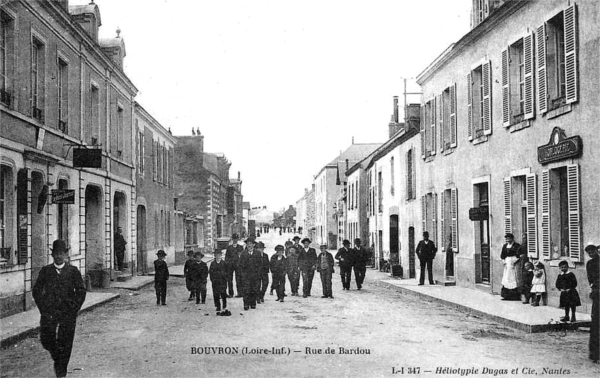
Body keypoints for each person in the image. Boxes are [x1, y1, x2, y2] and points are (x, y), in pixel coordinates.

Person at [33, 240, 87, 378]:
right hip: (49, 312)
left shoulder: (73, 271)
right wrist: (43, 308)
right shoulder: (46, 271)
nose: (58, 256)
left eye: (61, 253)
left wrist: (74, 308)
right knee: (46, 339)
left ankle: (61, 373)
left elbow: (81, 291)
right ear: (52, 255)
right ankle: (58, 357)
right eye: (56, 253)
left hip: (67, 312)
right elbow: (37, 290)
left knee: (66, 342)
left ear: (65, 255)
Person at [585, 243, 600, 363]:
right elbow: (590, 278)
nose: (591, 254)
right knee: (596, 322)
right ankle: (594, 353)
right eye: (589, 253)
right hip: (597, 294)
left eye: (593, 251)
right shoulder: (590, 264)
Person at [238, 238, 262, 310]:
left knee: (253, 289)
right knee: (246, 290)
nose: (249, 245)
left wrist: (258, 273)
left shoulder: (257, 253)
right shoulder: (243, 253)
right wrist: (242, 274)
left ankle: (253, 303)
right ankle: (246, 304)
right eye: (248, 244)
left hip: (255, 275)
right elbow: (240, 265)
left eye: (251, 244)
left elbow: (260, 264)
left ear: (253, 245)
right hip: (246, 276)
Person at [225, 234, 244, 298]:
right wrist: (227, 264)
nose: (235, 240)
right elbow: (226, 257)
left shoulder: (240, 247)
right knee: (229, 280)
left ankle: (240, 293)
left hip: (238, 266)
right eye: (234, 239)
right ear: (232, 239)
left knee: (238, 279)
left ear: (238, 239)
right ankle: (231, 293)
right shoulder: (229, 248)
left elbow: (243, 257)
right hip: (230, 266)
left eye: (236, 239)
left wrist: (241, 265)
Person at [209, 249, 228, 314]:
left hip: (223, 281)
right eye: (216, 255)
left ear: (221, 255)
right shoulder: (212, 263)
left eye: (219, 255)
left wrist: (225, 278)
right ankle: (218, 306)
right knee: (216, 294)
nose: (218, 256)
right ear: (215, 255)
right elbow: (210, 272)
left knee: (223, 293)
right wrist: (212, 279)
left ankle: (224, 305)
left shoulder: (224, 263)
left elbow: (227, 272)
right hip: (215, 281)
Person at [515, 235, 530, 303]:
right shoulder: (521, 246)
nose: (524, 239)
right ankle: (524, 296)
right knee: (522, 280)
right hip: (523, 263)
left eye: (525, 238)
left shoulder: (530, 244)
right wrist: (520, 255)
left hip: (528, 264)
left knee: (527, 281)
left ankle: (527, 297)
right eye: (523, 238)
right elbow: (517, 253)